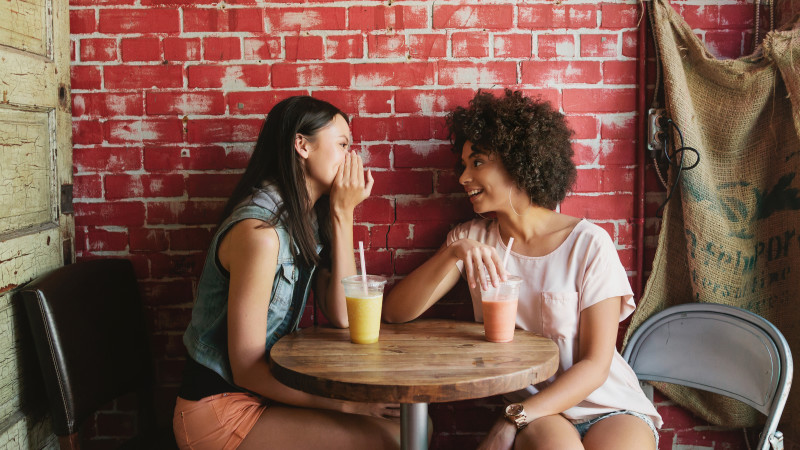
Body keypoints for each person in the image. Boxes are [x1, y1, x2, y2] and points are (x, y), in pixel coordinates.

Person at [383, 89, 662, 450]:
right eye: (463, 166)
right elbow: (395, 313)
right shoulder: (471, 240)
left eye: (477, 162)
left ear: (518, 161)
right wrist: (453, 254)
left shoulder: (588, 244)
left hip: (608, 403)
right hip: (540, 415)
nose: (464, 177)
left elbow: (595, 365)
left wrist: (510, 419)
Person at [174, 96, 400, 449]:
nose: (352, 159)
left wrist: (343, 214)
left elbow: (342, 315)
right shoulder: (260, 236)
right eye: (342, 145)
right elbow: (247, 369)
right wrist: (348, 404)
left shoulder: (305, 221)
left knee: (414, 427)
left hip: (264, 398)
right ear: (302, 145)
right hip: (219, 411)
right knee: (393, 438)